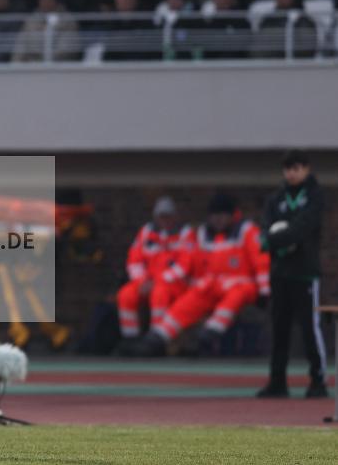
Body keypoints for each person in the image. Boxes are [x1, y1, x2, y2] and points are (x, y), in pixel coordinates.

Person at [130, 194, 270, 357]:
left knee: (234, 297)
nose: (218, 220)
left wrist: (265, 291)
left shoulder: (248, 231)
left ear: (232, 216)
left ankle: (209, 334)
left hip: (241, 284)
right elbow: (192, 263)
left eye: (222, 216)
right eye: (214, 216)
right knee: (186, 303)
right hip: (209, 285)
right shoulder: (203, 234)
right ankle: (156, 339)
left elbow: (262, 262)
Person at [258, 150, 328, 398]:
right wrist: (273, 240)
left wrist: (277, 240)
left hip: (305, 273)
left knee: (310, 328)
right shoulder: (276, 198)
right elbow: (265, 231)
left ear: (306, 169)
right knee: (279, 327)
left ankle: (318, 380)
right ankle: (277, 381)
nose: (291, 173)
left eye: (296, 168)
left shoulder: (315, 196)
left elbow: (302, 227)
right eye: (288, 169)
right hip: (280, 272)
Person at [116, 196, 195, 344]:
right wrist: (142, 281)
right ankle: (130, 339)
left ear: (175, 217)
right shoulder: (146, 232)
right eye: (161, 217)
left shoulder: (185, 233)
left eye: (168, 216)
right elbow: (134, 261)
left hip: (175, 285)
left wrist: (156, 282)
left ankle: (156, 339)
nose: (165, 220)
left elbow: (184, 267)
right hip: (146, 282)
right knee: (125, 294)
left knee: (160, 293)